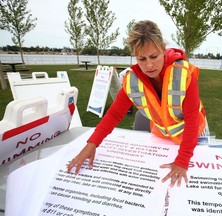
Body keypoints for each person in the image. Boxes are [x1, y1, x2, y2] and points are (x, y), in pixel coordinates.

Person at [67, 20, 208, 187]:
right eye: (142, 58)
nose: (149, 65)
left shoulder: (185, 73)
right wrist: (91, 144)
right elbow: (114, 114)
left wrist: (182, 161)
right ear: (134, 55)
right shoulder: (132, 81)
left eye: (154, 56)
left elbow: (192, 118)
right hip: (163, 138)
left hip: (196, 134)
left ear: (163, 49)